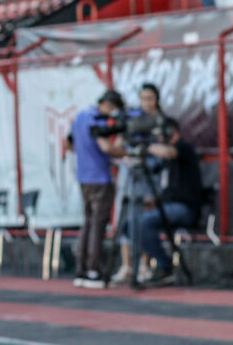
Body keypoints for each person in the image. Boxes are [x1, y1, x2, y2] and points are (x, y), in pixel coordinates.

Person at [67, 90, 126, 289]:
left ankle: (81, 270)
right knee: (97, 225)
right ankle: (94, 271)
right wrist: (123, 148)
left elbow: (68, 142)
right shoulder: (98, 120)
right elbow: (107, 148)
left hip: (84, 177)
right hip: (100, 177)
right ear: (109, 106)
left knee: (88, 223)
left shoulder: (80, 117)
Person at [134, 118, 203, 286]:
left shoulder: (183, 148)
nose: (158, 138)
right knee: (131, 224)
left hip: (185, 208)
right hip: (166, 206)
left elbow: (169, 152)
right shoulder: (165, 161)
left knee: (145, 222)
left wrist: (145, 146)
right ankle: (160, 265)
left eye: (160, 133)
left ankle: (165, 267)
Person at [111, 84, 165, 284]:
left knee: (143, 218)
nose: (147, 103)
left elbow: (165, 149)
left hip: (151, 174)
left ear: (157, 100)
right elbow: (117, 147)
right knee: (125, 217)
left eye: (150, 99)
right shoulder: (133, 119)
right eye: (143, 99)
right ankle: (126, 266)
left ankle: (143, 265)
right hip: (130, 173)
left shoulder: (160, 121)